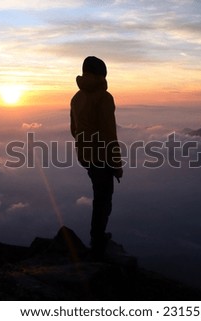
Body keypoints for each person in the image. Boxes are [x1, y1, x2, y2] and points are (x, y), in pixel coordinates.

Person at [70, 56, 123, 258]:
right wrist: (116, 164)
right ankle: (98, 240)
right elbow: (110, 134)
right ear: (102, 74)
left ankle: (97, 237)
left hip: (86, 156)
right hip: (102, 157)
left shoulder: (76, 98)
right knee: (104, 199)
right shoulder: (104, 97)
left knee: (99, 195)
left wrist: (86, 146)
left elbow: (74, 130)